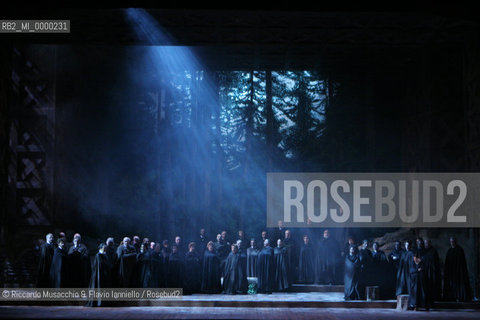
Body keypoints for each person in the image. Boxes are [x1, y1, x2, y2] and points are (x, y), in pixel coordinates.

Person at [443, 237, 472, 302]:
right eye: (451, 241)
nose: (452, 243)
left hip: (459, 272)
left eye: (453, 241)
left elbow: (462, 263)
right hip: (451, 273)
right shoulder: (449, 251)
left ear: (456, 241)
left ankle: (459, 297)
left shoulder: (460, 250)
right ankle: (452, 297)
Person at [422, 239, 440, 304]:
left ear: (430, 243)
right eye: (425, 243)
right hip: (425, 271)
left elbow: (435, 263)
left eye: (427, 243)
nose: (426, 245)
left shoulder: (433, 251)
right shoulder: (423, 251)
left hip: (432, 272)